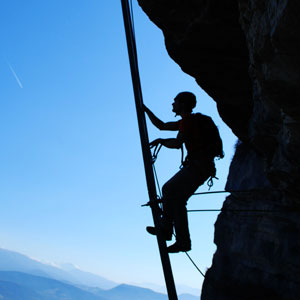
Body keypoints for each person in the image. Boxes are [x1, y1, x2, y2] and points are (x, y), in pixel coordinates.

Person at [144, 91, 222, 253]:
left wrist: (161, 141)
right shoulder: (190, 121)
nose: (173, 104)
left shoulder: (188, 121)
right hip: (204, 167)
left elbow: (177, 143)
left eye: (175, 102)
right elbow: (162, 126)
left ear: (182, 104)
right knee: (177, 201)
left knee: (168, 190)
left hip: (197, 166)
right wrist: (145, 110)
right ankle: (180, 240)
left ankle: (168, 230)